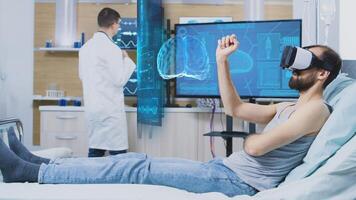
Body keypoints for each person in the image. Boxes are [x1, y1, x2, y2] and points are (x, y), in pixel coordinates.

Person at [0, 35, 341, 197]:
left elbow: (254, 149)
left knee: (134, 167)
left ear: (322, 74)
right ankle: (36, 166)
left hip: (239, 182)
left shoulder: (317, 110)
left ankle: (31, 172)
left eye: (308, 60)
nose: (299, 64)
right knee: (134, 160)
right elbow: (235, 109)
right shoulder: (288, 107)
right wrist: (222, 61)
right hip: (221, 170)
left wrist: (254, 140)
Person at [79, 7, 136, 157]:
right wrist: (127, 60)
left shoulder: (85, 48)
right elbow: (119, 80)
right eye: (118, 24)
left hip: (93, 108)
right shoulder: (113, 49)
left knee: (95, 149)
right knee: (118, 153)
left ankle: (90, 179)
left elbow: (82, 76)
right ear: (113, 24)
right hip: (110, 111)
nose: (119, 27)